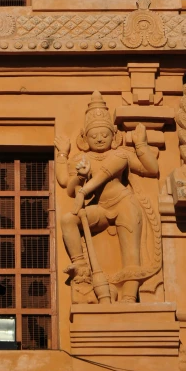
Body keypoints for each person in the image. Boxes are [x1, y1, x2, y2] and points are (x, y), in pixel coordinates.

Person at [55, 91, 159, 303]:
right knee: (68, 220)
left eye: (105, 134)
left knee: (131, 256)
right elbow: (67, 184)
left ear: (114, 136)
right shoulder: (82, 158)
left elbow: (151, 169)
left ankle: (129, 297)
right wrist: (65, 157)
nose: (100, 138)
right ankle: (81, 265)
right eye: (94, 135)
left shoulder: (120, 154)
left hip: (124, 204)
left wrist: (141, 145)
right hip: (100, 207)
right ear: (85, 138)